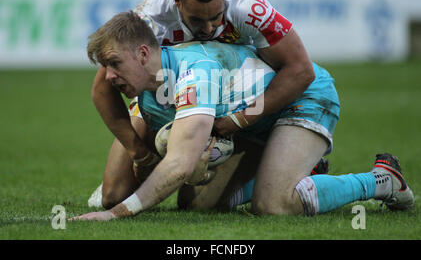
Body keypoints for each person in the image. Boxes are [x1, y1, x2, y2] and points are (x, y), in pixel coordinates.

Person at [70, 11, 413, 221]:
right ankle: (300, 168)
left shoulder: (194, 74)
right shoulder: (147, 88)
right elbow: (183, 167)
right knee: (196, 204)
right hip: (251, 122)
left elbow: (177, 165)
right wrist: (182, 165)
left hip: (300, 98)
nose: (109, 76)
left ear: (144, 53)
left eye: (114, 64)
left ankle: (382, 180)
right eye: (105, 67)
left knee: (274, 204)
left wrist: (116, 213)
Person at [87, 0, 329, 208]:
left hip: (234, 97)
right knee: (114, 196)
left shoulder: (249, 8)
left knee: (201, 201)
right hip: (168, 95)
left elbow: (300, 70)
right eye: (196, 20)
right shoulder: (151, 19)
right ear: (178, 2)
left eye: (215, 17)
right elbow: (102, 88)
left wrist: (242, 119)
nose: (208, 28)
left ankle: (286, 163)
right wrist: (138, 151)